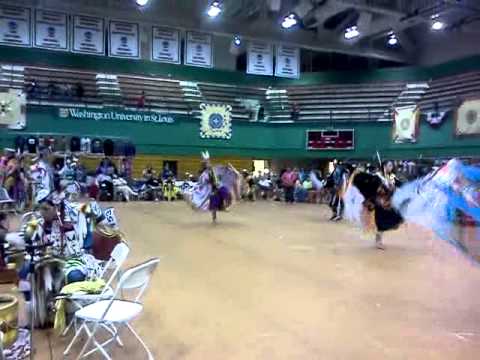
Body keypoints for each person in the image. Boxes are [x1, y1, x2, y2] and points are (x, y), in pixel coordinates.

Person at [183, 151, 241, 223]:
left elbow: (213, 172)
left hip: (219, 187)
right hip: (213, 190)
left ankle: (225, 206)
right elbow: (206, 181)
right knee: (214, 204)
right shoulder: (204, 175)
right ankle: (215, 218)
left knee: (226, 194)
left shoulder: (213, 171)